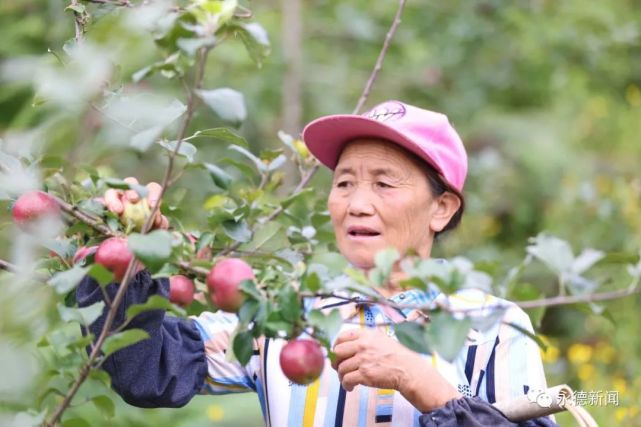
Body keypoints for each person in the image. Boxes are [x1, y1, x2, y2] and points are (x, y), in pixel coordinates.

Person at [78, 100, 558, 426]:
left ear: (442, 208)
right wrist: (130, 260)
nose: (357, 203)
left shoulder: (489, 327)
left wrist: (419, 380)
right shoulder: (285, 317)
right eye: (345, 182)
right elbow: (146, 370)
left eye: (384, 184)